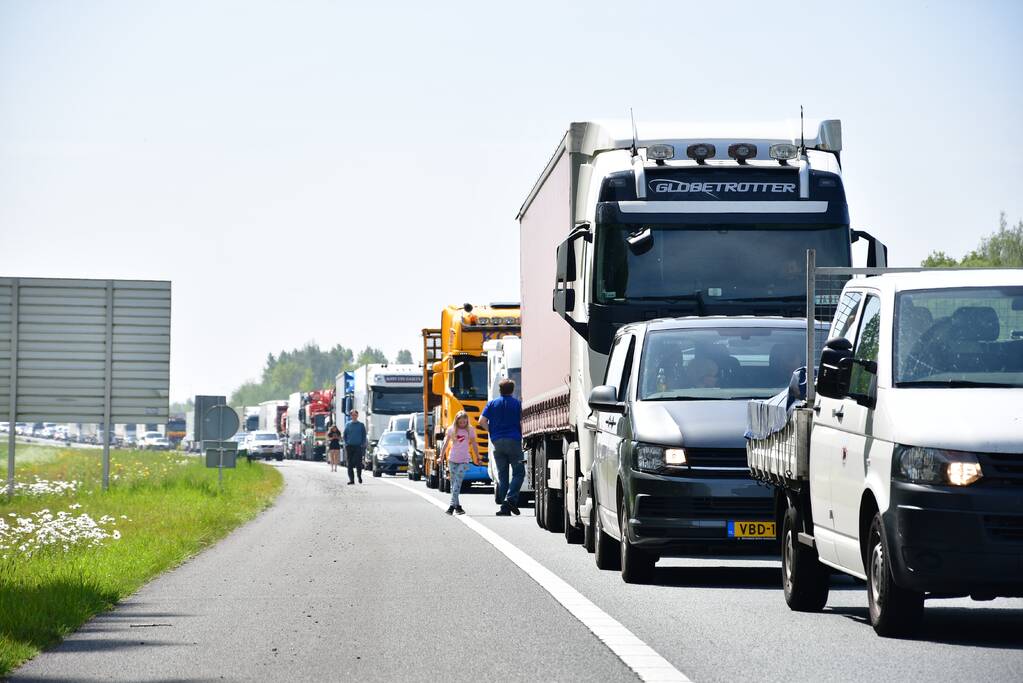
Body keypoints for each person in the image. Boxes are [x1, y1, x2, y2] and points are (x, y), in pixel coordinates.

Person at [478, 378, 523, 516]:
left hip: (497, 442)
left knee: (502, 475)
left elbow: (482, 421)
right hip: (514, 441)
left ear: (500, 390)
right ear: (512, 390)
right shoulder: (517, 404)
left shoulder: (492, 404)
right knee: (519, 472)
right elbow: (522, 421)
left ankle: (505, 507)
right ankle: (509, 500)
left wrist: (491, 431)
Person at [439, 410, 479, 515]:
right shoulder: (451, 430)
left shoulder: (470, 430)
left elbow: (474, 444)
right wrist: (441, 456)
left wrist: (477, 456)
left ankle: (452, 506)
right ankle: (458, 507)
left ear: (467, 421)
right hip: (452, 459)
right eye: (460, 422)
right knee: (453, 483)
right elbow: (445, 443)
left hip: (464, 459)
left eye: (464, 422)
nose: (462, 424)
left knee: (458, 482)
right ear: (456, 421)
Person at [343, 409, 367, 485]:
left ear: (357, 416)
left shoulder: (361, 425)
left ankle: (359, 476)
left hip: (358, 446)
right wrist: (346, 443)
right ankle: (351, 480)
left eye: (355, 415)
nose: (354, 416)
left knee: (358, 463)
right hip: (349, 446)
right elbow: (345, 435)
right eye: (352, 415)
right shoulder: (347, 424)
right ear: (350, 416)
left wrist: (362, 444)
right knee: (349, 464)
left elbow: (364, 435)